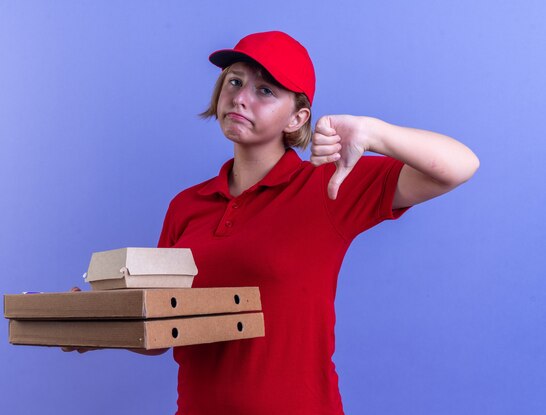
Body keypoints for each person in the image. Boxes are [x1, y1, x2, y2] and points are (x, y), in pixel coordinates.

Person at [67, 31, 479, 414]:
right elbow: (160, 329)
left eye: (265, 90)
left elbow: (458, 166)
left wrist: (373, 132)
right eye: (234, 81)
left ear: (297, 119)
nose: (241, 98)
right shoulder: (187, 205)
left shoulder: (327, 187)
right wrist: (92, 327)